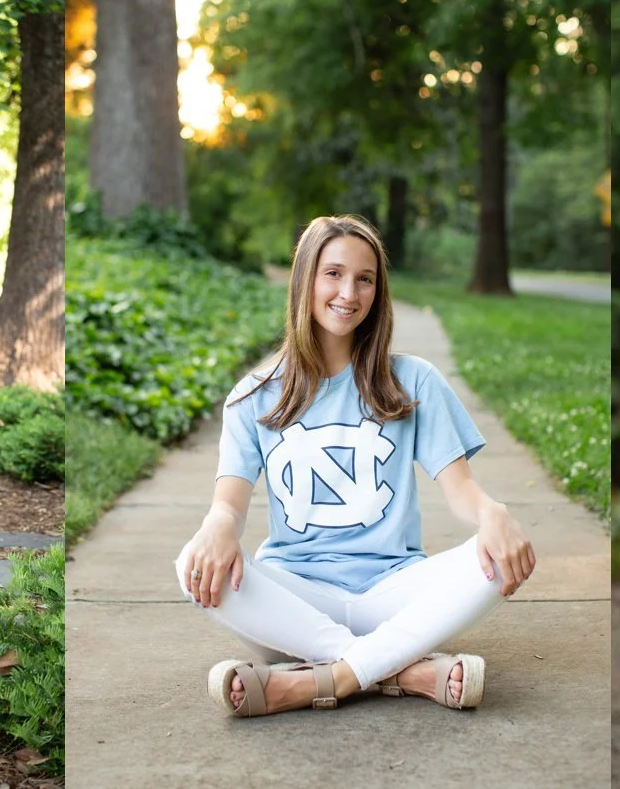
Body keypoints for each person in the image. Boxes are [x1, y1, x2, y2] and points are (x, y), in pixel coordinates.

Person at [175, 215, 537, 716]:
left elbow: (461, 491)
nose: (349, 292)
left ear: (378, 291)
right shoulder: (252, 398)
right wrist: (215, 527)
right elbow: (228, 505)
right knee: (190, 565)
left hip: (395, 590)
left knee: (500, 557)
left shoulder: (414, 381)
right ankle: (404, 670)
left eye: (365, 279)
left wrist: (493, 513)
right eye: (333, 274)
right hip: (297, 600)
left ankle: (314, 681)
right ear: (305, 278)